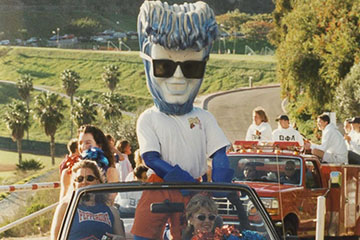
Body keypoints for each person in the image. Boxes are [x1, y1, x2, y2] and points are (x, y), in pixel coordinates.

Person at [132, 2, 234, 239]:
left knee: (195, 235)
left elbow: (219, 152)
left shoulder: (203, 117)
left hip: (196, 189)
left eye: (191, 67)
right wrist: (180, 179)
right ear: (148, 62)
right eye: (164, 66)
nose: (177, 77)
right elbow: (150, 158)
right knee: (143, 232)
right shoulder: (148, 118)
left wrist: (220, 179)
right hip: (160, 186)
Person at [50, 160, 125, 240]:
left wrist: (118, 238)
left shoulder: (112, 211)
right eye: (80, 179)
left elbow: (121, 237)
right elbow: (55, 238)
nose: (84, 182)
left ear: (98, 182)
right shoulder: (66, 208)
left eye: (90, 178)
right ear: (75, 184)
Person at [59, 125, 119, 201]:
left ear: (99, 146)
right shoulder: (68, 173)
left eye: (88, 143)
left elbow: (110, 201)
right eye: (80, 143)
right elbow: (62, 203)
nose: (83, 146)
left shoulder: (110, 172)